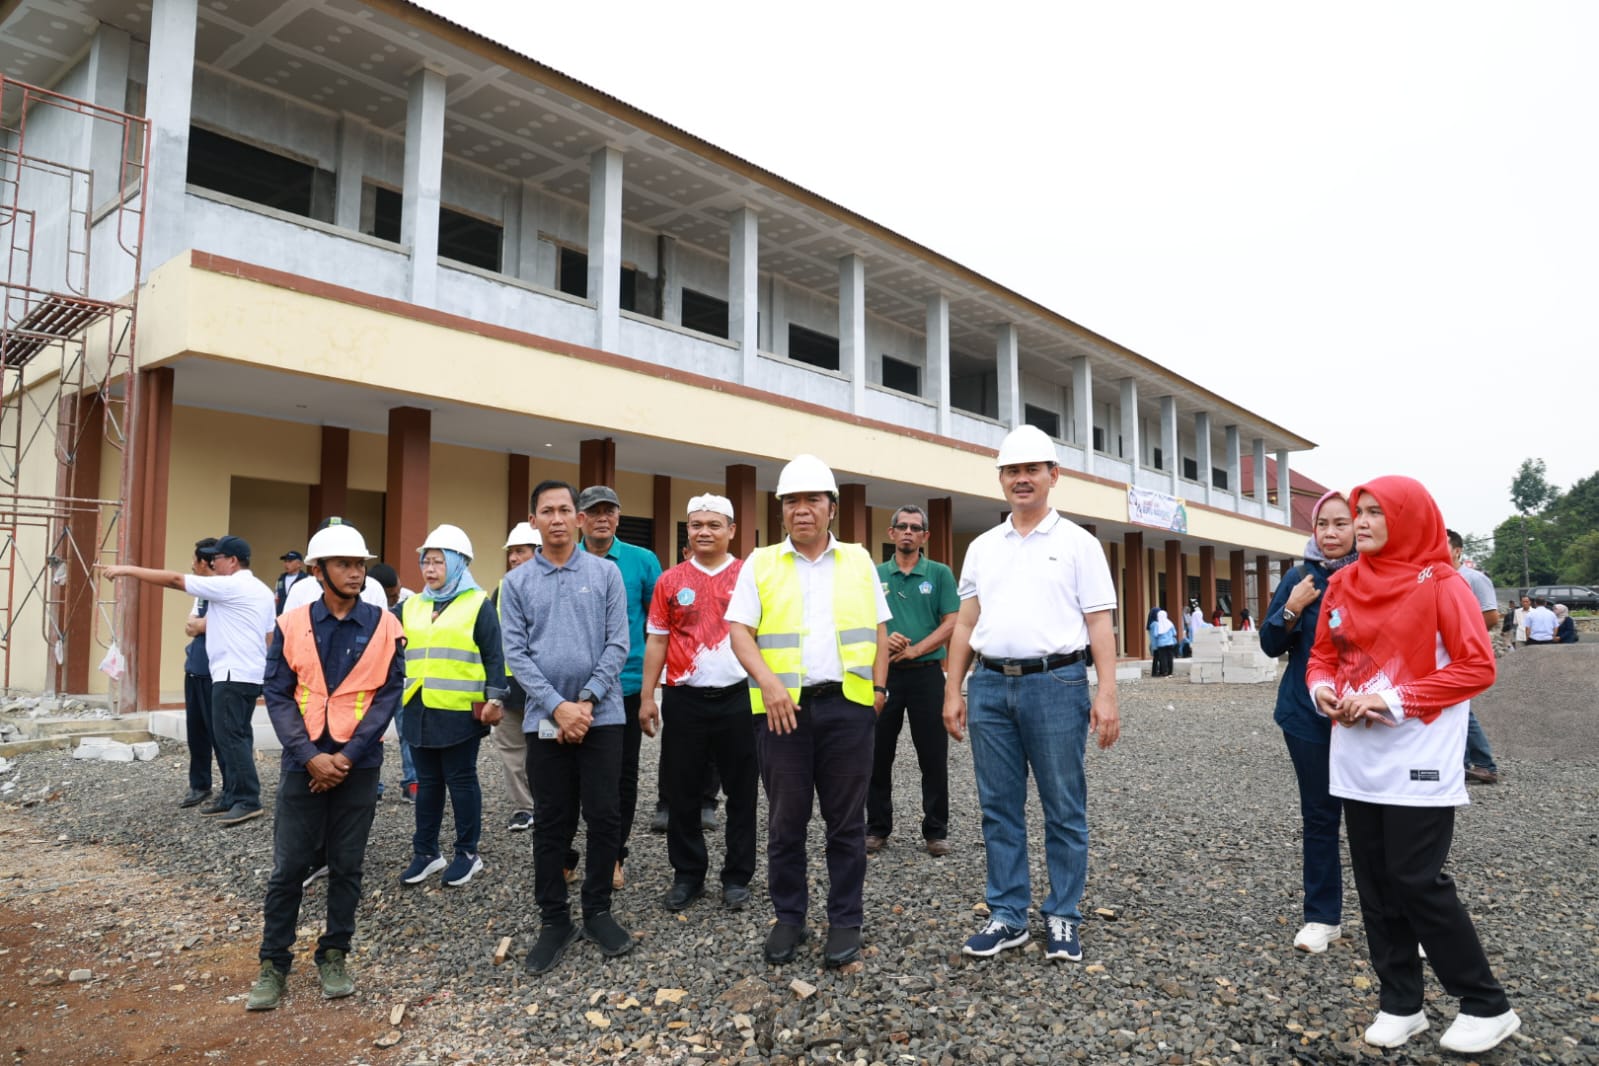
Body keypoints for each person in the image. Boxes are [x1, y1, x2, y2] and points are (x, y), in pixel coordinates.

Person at [1308, 475, 1519, 1055]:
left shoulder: (1443, 583)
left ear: (1409, 518)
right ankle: (1401, 1002)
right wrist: (1323, 690)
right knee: (1375, 887)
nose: (1364, 522)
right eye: (1359, 512)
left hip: (1418, 756)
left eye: (1377, 512)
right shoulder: (1344, 581)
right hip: (1355, 757)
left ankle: (1486, 1004)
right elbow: (1324, 656)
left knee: (1417, 880)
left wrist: (1390, 699)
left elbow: (1477, 667)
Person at [941, 424, 1120, 965]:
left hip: (1057, 683)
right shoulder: (982, 548)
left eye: (1031, 470)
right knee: (998, 807)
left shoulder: (1078, 544)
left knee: (1063, 806)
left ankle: (1062, 914)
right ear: (1001, 479)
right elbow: (966, 623)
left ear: (1053, 476)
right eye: (1012, 471)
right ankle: (1008, 915)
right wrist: (954, 688)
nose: (1022, 479)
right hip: (991, 685)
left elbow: (1100, 624)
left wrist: (1106, 692)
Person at [728, 454, 891, 968]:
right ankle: (790, 919)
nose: (802, 510)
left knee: (846, 823)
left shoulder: (860, 560)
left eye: (812, 500)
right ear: (781, 511)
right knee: (786, 822)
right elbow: (739, 633)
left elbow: (880, 629)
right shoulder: (760, 563)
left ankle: (846, 921)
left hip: (848, 708)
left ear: (831, 508)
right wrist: (770, 684)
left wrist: (879, 688)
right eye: (792, 501)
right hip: (783, 712)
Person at [246, 522, 405, 1011]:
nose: (356, 573)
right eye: (345, 564)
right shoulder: (292, 624)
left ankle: (334, 954)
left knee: (347, 865)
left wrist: (345, 757)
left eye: (359, 564)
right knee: (289, 867)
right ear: (318, 572)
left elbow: (388, 696)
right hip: (303, 762)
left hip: (358, 765)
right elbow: (276, 692)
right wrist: (311, 756)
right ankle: (273, 965)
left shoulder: (385, 624)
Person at [500, 480, 632, 974]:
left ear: (578, 518)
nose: (556, 519)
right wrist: (558, 707)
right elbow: (517, 654)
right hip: (544, 720)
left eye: (564, 510)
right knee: (551, 822)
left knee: (604, 816)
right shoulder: (516, 584)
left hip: (602, 716)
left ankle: (597, 911)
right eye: (546, 511)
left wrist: (585, 702)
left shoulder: (605, 575)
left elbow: (618, 643)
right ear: (533, 521)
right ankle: (554, 918)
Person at [104, 535, 275, 826]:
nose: (212, 563)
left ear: (232, 561)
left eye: (217, 559)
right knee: (237, 735)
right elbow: (269, 635)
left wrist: (127, 570)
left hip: (232, 674)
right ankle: (234, 795)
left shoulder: (231, 584)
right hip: (249, 672)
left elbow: (173, 580)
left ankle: (247, 799)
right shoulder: (261, 589)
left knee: (230, 737)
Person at [639, 495, 757, 912]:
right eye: (695, 525)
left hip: (740, 698)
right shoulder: (670, 580)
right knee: (682, 791)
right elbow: (657, 639)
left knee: (743, 792)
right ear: (686, 530)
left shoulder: (749, 575)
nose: (704, 531)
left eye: (713, 524)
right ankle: (688, 874)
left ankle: (738, 877)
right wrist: (647, 696)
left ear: (731, 530)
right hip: (683, 698)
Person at [1260, 490, 1357, 955]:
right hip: (1306, 714)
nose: (1332, 533)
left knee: (1376, 820)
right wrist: (1293, 606)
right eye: (1324, 525)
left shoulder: (1374, 576)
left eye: (1342, 523)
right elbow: (1269, 643)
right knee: (1320, 816)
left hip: (1366, 716)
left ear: (1359, 527)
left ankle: (1400, 917)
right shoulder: (1300, 577)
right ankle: (1323, 917)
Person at [397, 524, 506, 888]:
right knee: (426, 783)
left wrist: (495, 698)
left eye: (439, 562)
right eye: (426, 561)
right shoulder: (412, 605)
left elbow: (495, 655)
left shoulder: (478, 603)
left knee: (460, 781)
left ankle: (466, 853)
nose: (430, 569)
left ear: (459, 564)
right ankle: (426, 852)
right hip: (418, 707)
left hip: (461, 709)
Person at [576, 484, 662, 891]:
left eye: (609, 511)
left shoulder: (642, 561)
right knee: (566, 777)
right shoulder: (563, 559)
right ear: (580, 518)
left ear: (618, 516)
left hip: (624, 685)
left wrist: (649, 692)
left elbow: (657, 625)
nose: (602, 518)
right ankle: (565, 852)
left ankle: (613, 853)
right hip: (569, 690)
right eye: (594, 512)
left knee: (621, 776)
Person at [865, 505, 959, 858]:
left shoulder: (939, 574)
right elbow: (863, 617)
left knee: (933, 755)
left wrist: (918, 648)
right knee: (876, 754)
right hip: (883, 674)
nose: (907, 532)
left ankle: (936, 831)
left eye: (915, 528)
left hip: (926, 676)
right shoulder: (875, 575)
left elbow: (952, 621)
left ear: (925, 536)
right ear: (890, 533)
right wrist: (883, 638)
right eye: (901, 526)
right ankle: (876, 828)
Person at [491, 522, 541, 832]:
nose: (513, 558)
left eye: (520, 551)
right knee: (511, 749)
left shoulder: (556, 586)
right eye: (511, 552)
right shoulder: (501, 589)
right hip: (509, 685)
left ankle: (550, 802)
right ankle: (525, 808)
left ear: (538, 552)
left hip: (543, 686)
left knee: (546, 746)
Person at [1447, 530, 1502, 785]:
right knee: (1455, 706)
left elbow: (1491, 616)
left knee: (1460, 706)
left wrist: (1459, 632)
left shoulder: (1473, 579)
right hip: (1444, 652)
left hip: (1464, 651)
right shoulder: (1432, 577)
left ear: (1458, 550)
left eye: (1442, 544)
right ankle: (1466, 763)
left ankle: (1483, 764)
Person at [179, 537, 220, 810]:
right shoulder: (201, 591)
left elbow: (210, 624)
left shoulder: (225, 589)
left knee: (220, 733)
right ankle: (200, 785)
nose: (192, 566)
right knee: (196, 731)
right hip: (195, 666)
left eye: (195, 561)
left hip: (216, 671)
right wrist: (201, 625)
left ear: (205, 563)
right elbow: (191, 625)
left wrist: (201, 625)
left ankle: (233, 788)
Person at [274, 550, 309, 614]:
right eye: (285, 561)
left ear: (299, 564)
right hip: (281, 617)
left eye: (290, 561)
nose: (286, 564)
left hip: (299, 616)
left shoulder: (306, 579)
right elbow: (276, 598)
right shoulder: (280, 580)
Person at [1148, 609, 1177, 676]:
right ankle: (1170, 672)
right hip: (1170, 643)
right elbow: (1174, 633)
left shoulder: (1158, 625)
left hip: (1161, 644)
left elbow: (1155, 634)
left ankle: (1164, 672)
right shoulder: (1170, 623)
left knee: (1163, 658)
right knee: (1170, 657)